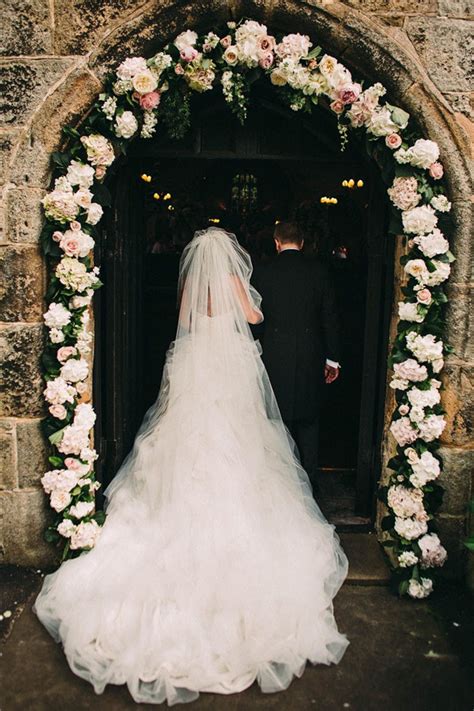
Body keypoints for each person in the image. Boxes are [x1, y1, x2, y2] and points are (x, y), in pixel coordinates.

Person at [34, 228, 348, 706]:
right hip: (230, 364)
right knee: (241, 439)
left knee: (185, 436)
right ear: (229, 256)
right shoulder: (231, 279)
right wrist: (252, 309)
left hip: (196, 360)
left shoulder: (189, 286)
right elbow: (252, 316)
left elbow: (182, 322)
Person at [252, 221, 341, 490]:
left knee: (275, 420)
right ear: (302, 242)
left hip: (273, 354)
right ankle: (308, 484)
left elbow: (256, 321)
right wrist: (332, 359)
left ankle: (279, 485)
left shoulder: (263, 273)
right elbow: (330, 318)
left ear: (276, 242)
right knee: (309, 420)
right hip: (310, 354)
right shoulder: (320, 271)